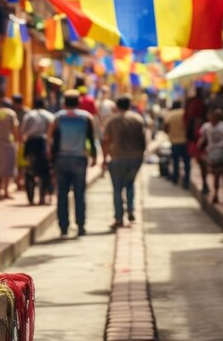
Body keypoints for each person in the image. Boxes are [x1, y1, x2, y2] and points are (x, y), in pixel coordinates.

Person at [48, 89, 97, 237]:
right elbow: (91, 139)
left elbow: (50, 139)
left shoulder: (58, 117)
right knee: (79, 194)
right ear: (78, 102)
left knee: (62, 194)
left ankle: (63, 228)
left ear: (64, 102)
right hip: (79, 159)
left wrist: (51, 157)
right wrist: (94, 156)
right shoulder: (87, 117)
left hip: (61, 159)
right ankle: (80, 225)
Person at [102, 95, 146, 228]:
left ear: (117, 106)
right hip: (135, 157)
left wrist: (104, 159)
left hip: (117, 157)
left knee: (117, 189)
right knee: (130, 185)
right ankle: (131, 210)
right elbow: (143, 139)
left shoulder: (112, 120)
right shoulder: (138, 119)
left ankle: (119, 218)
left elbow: (106, 140)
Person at [20, 99, 55, 205]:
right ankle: (44, 195)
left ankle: (35, 193)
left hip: (31, 143)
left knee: (30, 166)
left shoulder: (29, 116)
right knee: (46, 169)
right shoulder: (49, 116)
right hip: (45, 143)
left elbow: (23, 131)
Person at [199, 109, 223, 204]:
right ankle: (216, 193)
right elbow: (202, 138)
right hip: (212, 153)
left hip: (222, 153)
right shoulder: (207, 127)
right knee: (216, 175)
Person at [0, 98, 19, 200]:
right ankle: (6, 192)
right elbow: (15, 128)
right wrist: (17, 140)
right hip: (8, 144)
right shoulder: (11, 113)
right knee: (8, 168)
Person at [164, 100, 190, 189]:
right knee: (187, 162)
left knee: (175, 161)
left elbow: (166, 127)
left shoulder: (170, 114)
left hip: (174, 141)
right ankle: (186, 181)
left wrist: (171, 134)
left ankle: (175, 178)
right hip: (185, 141)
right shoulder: (184, 113)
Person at [12, 94, 30, 191]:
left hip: (24, 139)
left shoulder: (26, 112)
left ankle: (21, 181)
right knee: (17, 162)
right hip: (15, 139)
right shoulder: (13, 112)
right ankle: (18, 182)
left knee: (23, 163)